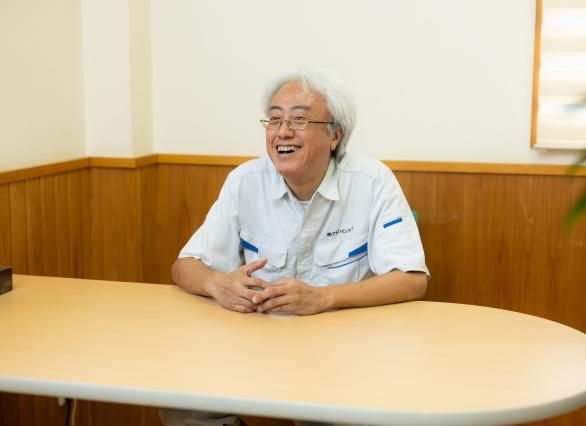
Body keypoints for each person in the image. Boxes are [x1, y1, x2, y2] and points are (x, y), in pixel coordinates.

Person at [161, 71, 429, 426]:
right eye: (274, 119)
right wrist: (217, 284)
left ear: (335, 135)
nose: (283, 132)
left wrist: (323, 298)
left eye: (299, 119)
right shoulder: (245, 181)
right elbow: (185, 265)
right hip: (257, 342)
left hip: (345, 349)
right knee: (182, 399)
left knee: (318, 415)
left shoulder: (372, 182)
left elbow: (411, 279)